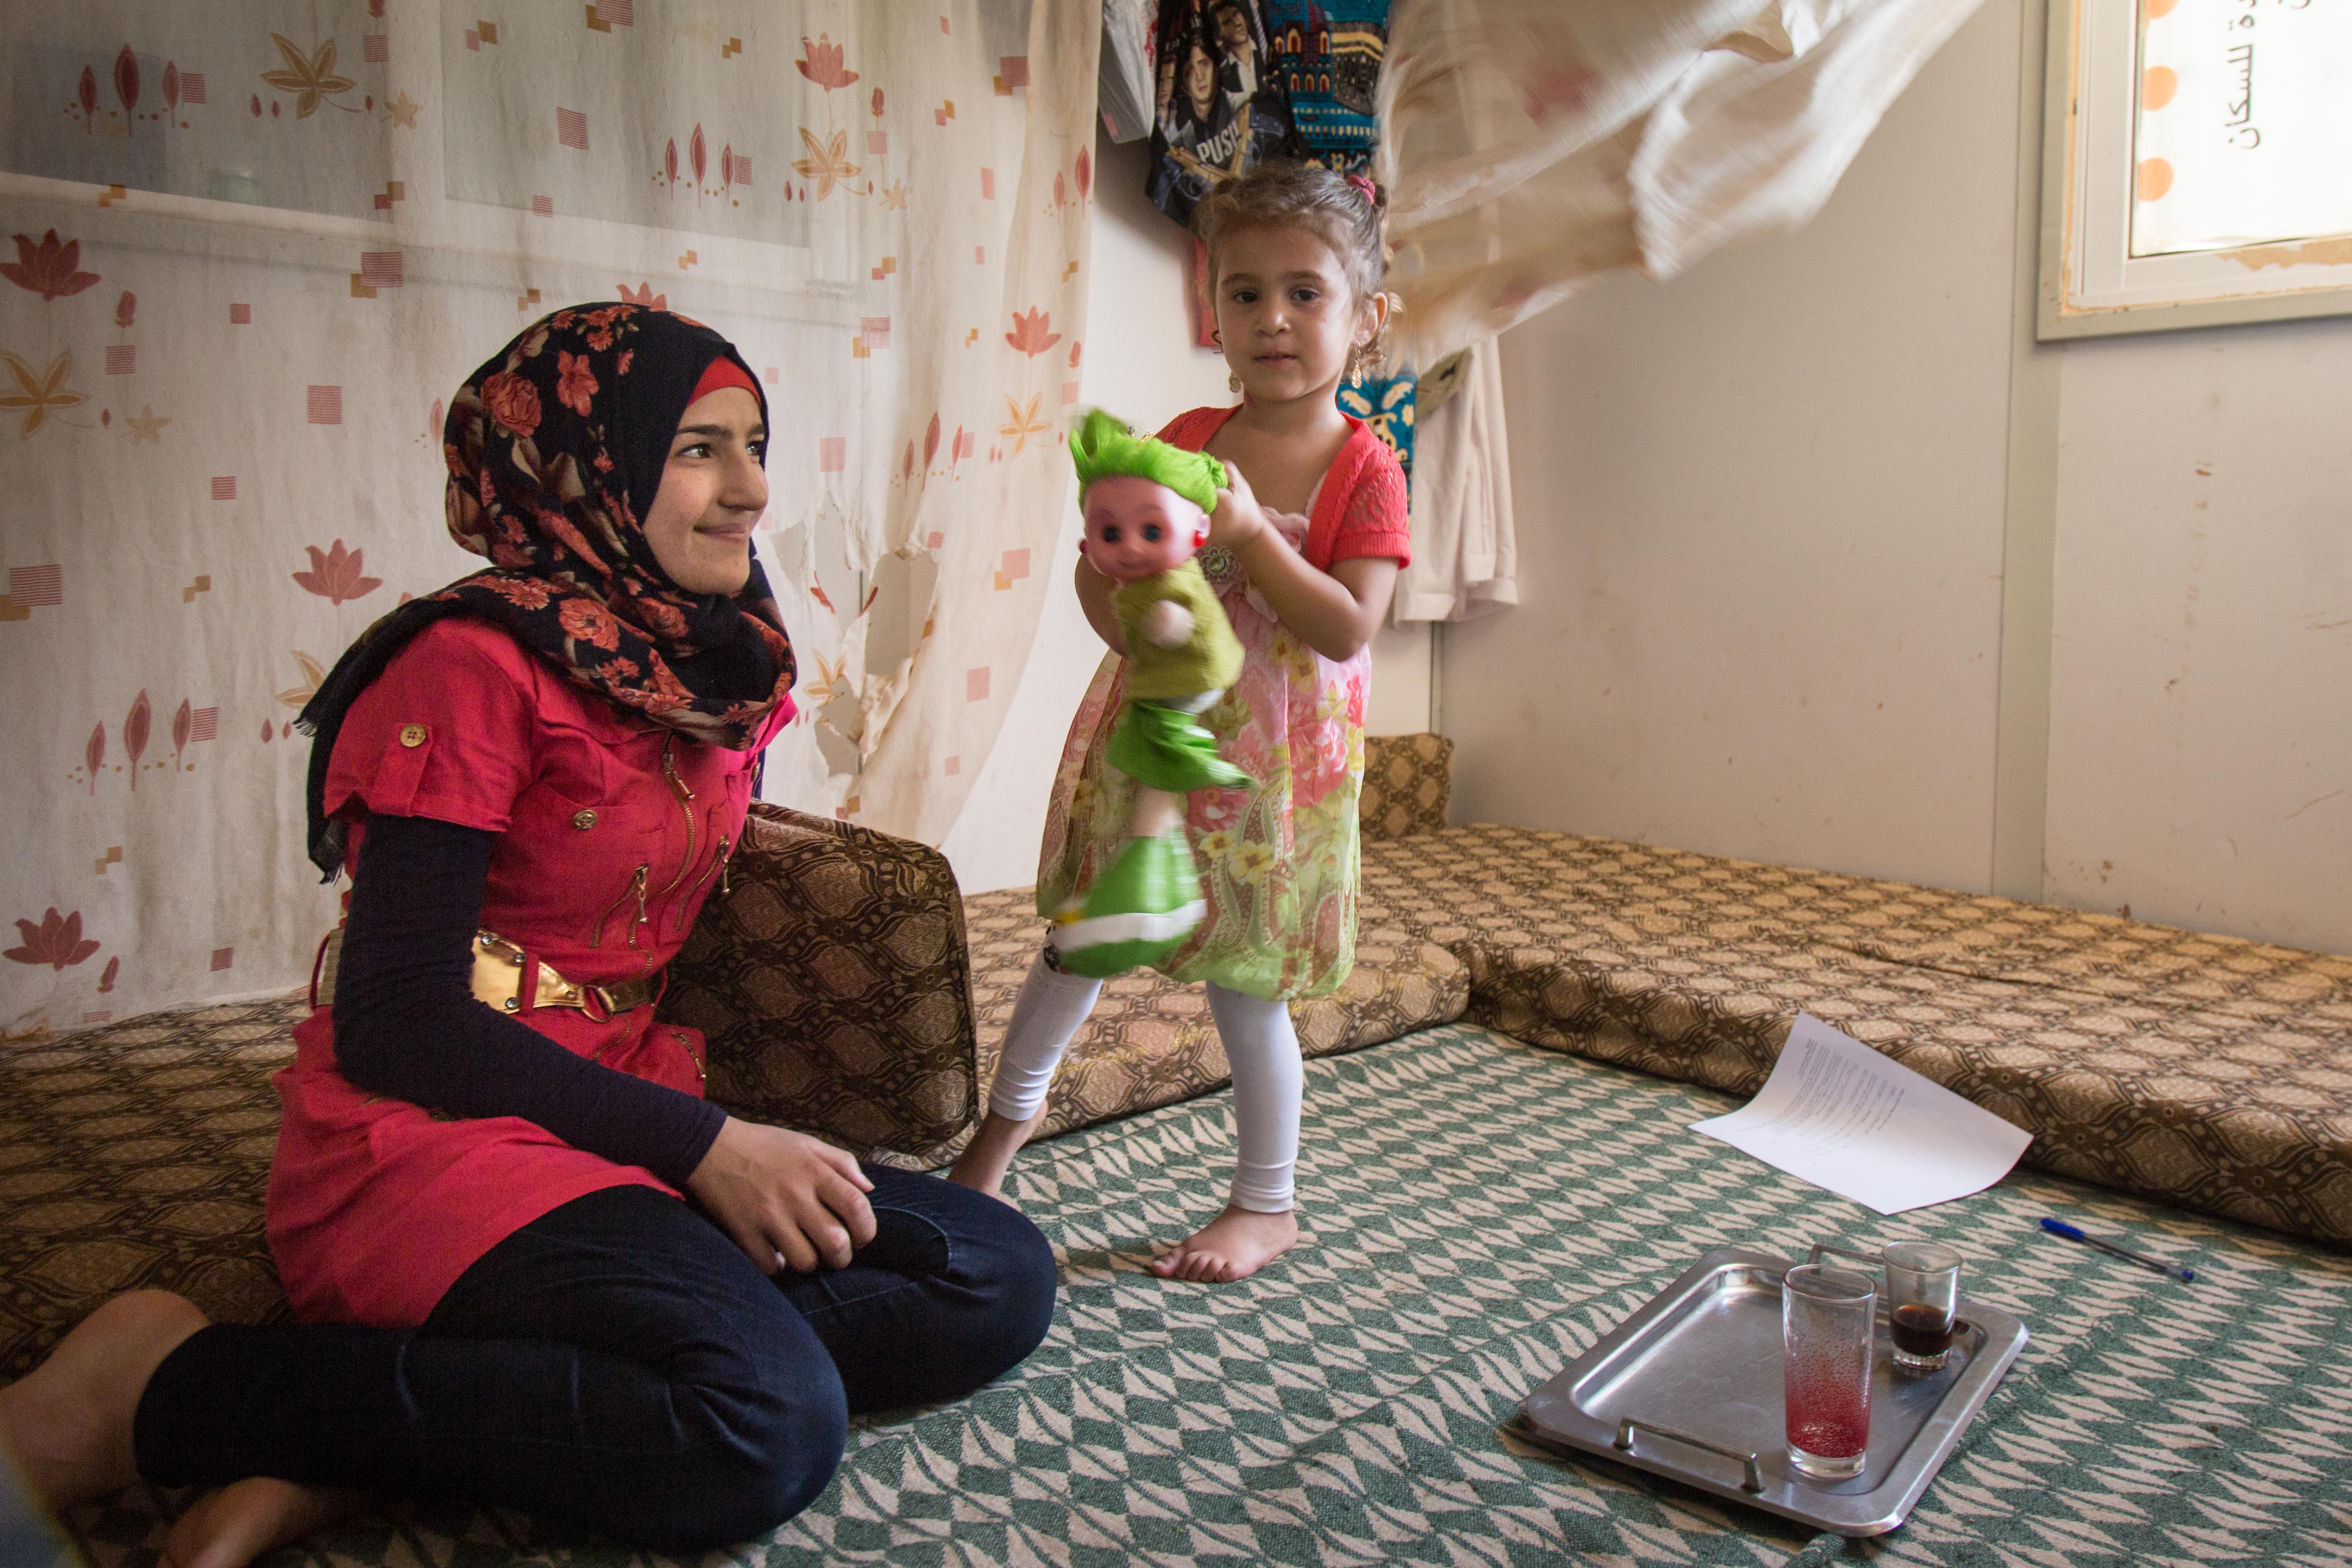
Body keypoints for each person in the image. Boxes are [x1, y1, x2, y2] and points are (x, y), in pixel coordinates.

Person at [0, 304, 1056, 1568]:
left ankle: (365, 1445)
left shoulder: (704, 658)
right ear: (585, 471)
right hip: (438, 1135)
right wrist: (711, 1146)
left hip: (605, 1099)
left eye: (756, 444)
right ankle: (159, 1388)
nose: (754, 491)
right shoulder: (469, 664)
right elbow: (400, 1021)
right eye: (699, 452)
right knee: (763, 1423)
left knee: (992, 1272)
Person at [951, 163, 1410, 1283]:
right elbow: (1098, 587)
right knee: (1075, 941)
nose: (1272, 321)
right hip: (1153, 741)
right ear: (1213, 312)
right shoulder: (1182, 437)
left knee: (1245, 987)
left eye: (1305, 293)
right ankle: (995, 1140)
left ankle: (1266, 1203)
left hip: (1273, 775)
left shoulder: (1367, 464)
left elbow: (1348, 626)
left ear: (1368, 316)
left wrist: (1251, 537)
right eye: (1244, 294)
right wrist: (1123, 597)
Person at [1050, 409, 1251, 979]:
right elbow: (1122, 623)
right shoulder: (1140, 580)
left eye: (1151, 531)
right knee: (1150, 773)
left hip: (1188, 682)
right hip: (1165, 684)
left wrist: (1161, 626)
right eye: (1111, 533)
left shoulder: (1170, 586)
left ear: (1197, 532)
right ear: (1089, 538)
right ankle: (1153, 876)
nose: (1132, 548)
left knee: (1159, 766)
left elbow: (1171, 623)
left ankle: (1153, 883)